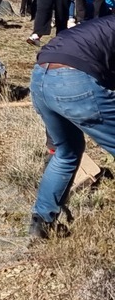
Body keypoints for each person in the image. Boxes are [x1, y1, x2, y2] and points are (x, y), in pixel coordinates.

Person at [28, 16, 115, 238]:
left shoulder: (102, 26)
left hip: (40, 77)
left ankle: (41, 225)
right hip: (73, 78)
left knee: (66, 153)